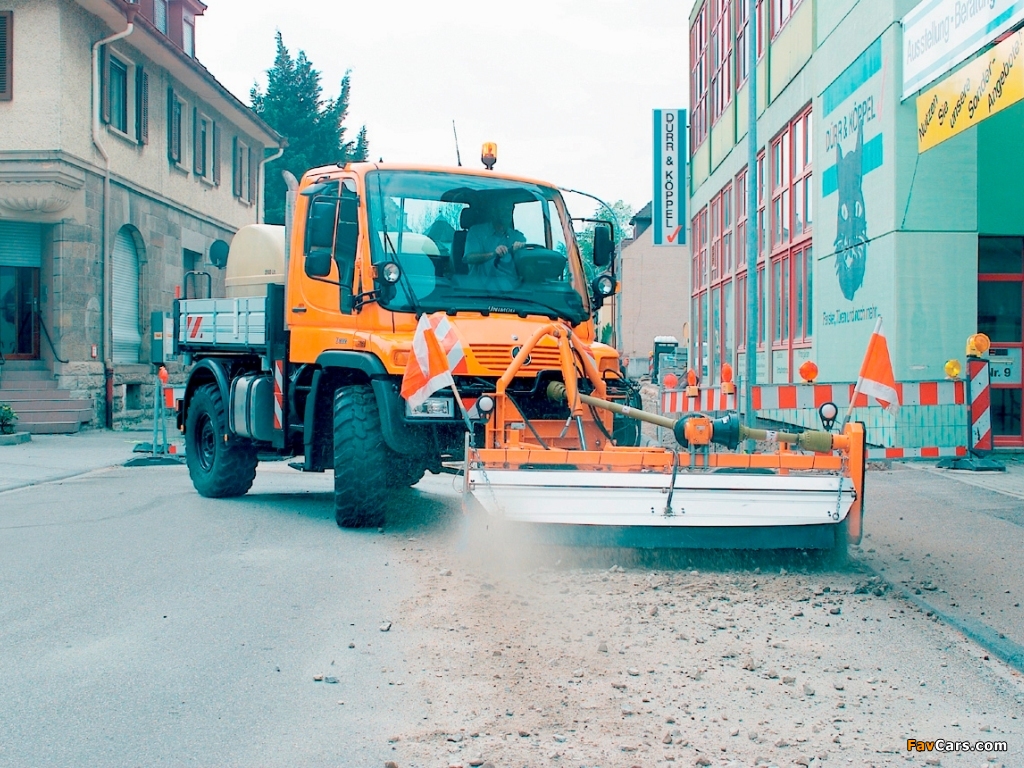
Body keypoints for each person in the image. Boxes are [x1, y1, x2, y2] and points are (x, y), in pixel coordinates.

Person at [462, 199, 526, 291]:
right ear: (494, 211)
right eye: (503, 209)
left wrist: (520, 251)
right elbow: (468, 258)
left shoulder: (517, 236)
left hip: (511, 292)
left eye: (510, 210)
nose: (507, 213)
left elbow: (527, 264)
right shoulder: (476, 232)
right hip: (478, 291)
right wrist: (494, 254)